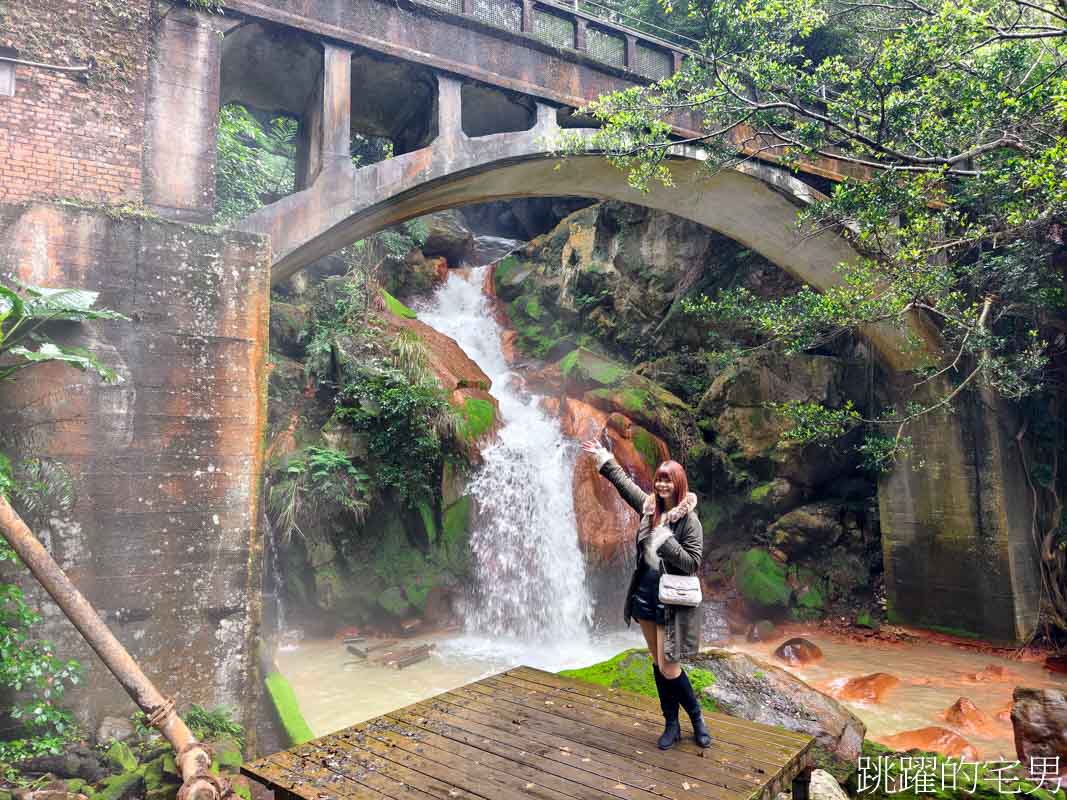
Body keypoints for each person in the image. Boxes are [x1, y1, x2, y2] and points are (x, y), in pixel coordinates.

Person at [580, 438, 710, 750]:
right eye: (659, 479)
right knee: (656, 662)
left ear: (679, 484)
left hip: (670, 600)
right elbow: (625, 486)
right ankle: (671, 724)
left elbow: (693, 562)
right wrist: (604, 459)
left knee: (669, 666)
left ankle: (697, 718)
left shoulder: (689, 521)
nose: (661, 484)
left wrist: (664, 539)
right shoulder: (649, 507)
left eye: (668, 479)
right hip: (644, 596)